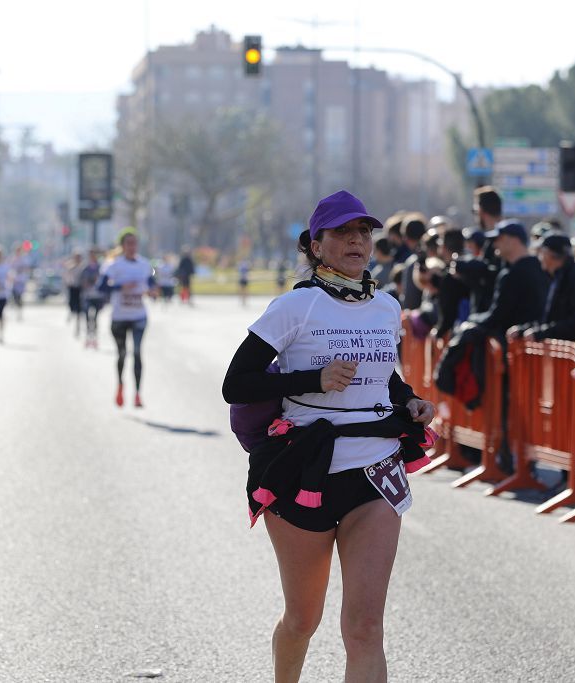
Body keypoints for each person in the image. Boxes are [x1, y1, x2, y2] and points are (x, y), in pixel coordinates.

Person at [222, 189, 435, 681]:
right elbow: (236, 384)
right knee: (303, 620)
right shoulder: (295, 307)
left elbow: (385, 377)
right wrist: (310, 380)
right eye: (342, 232)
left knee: (364, 628)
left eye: (363, 232)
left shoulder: (386, 307)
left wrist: (409, 401)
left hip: (375, 470)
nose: (356, 240)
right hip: (304, 471)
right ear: (316, 246)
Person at [510, 232, 575, 350]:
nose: (539, 256)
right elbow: (550, 319)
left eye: (541, 252)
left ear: (550, 254)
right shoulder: (557, 277)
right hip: (563, 355)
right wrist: (526, 330)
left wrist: (543, 333)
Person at [102, 228, 156, 407]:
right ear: (123, 246)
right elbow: (102, 286)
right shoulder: (114, 265)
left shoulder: (144, 264)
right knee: (122, 354)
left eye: (134, 243)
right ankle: (120, 385)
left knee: (138, 352)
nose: (132, 247)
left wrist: (153, 292)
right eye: (128, 243)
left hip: (139, 316)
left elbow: (152, 285)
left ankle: (138, 393)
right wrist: (120, 287)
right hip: (119, 317)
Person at [80, 247, 105, 349]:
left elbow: (104, 282)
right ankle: (87, 338)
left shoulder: (101, 268)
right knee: (87, 318)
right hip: (88, 296)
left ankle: (94, 338)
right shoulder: (85, 268)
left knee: (95, 319)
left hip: (98, 297)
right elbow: (81, 282)